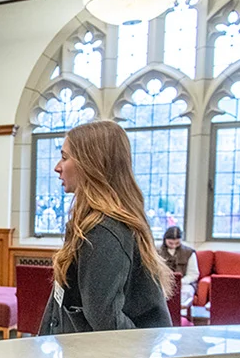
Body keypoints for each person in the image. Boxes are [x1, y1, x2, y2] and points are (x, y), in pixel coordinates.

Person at [40, 121, 172, 335]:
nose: (57, 167)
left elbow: (107, 323)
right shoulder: (90, 223)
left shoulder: (103, 230)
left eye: (65, 157)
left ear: (91, 164)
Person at [157, 225, 199, 309]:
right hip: (162, 283)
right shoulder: (156, 251)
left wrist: (181, 282)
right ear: (165, 240)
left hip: (184, 284)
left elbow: (193, 274)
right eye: (171, 243)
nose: (174, 246)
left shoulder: (189, 252)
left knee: (186, 294)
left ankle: (181, 317)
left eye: (177, 243)